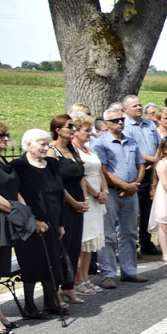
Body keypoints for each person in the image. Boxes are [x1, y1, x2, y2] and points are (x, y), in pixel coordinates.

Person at [11, 129, 68, 319]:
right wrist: (32, 220)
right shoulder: (19, 166)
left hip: (52, 220)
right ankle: (29, 305)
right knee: (32, 263)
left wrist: (60, 223)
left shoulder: (51, 164)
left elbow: (59, 193)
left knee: (52, 261)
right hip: (30, 224)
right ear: (28, 145)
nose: (47, 147)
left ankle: (50, 302)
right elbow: (15, 197)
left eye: (47, 144)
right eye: (42, 144)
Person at [92, 106, 147, 288]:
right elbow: (104, 171)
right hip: (113, 193)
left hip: (131, 193)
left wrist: (134, 185)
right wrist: (123, 185)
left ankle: (129, 271)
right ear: (107, 124)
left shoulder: (131, 142)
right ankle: (107, 273)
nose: (120, 123)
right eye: (116, 121)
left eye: (121, 119)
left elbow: (140, 165)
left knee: (129, 232)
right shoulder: (100, 144)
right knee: (108, 234)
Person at [47, 114, 89, 306]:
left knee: (74, 245)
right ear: (58, 130)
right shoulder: (51, 151)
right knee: (62, 247)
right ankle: (55, 290)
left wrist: (85, 198)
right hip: (64, 204)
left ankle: (69, 287)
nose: (73, 129)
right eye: (70, 126)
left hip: (79, 203)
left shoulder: (72, 150)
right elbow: (57, 184)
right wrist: (74, 202)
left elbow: (81, 175)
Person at [69, 113, 107, 295]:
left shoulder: (90, 150)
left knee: (92, 241)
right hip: (86, 196)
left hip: (98, 196)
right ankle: (78, 279)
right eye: (86, 130)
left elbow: (100, 172)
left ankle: (86, 278)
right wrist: (95, 193)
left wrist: (104, 191)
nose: (90, 134)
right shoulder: (73, 152)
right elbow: (80, 176)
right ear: (75, 132)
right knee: (82, 241)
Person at [0, 118, 20, 334]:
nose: (6, 138)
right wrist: (17, 212)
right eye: (1, 135)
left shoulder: (2, 161)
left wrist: (26, 213)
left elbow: (14, 191)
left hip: (4, 219)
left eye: (6, 135)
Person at [122, 95, 161, 256]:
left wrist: (156, 159)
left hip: (152, 171)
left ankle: (146, 241)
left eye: (140, 105)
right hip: (136, 171)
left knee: (148, 209)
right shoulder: (125, 126)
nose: (139, 108)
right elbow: (133, 148)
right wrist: (152, 159)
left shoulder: (150, 124)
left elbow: (159, 144)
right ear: (125, 110)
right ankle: (132, 245)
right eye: (135, 106)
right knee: (133, 210)